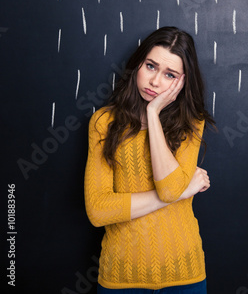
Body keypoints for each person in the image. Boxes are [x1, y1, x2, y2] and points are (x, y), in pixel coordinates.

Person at [84, 26, 215, 293]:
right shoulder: (104, 122)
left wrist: (153, 113)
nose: (155, 82)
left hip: (184, 275)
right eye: (151, 66)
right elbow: (98, 210)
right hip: (120, 276)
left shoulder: (191, 124)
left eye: (170, 75)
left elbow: (168, 188)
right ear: (138, 65)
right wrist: (182, 192)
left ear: (183, 82)